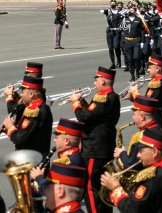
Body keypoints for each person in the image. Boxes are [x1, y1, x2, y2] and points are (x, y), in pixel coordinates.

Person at [100, 128, 162, 211]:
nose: (138, 155)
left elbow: (133, 210)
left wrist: (116, 188)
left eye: (140, 151)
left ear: (154, 152)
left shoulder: (153, 180)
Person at [70, 67, 121, 213]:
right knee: (103, 186)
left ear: (103, 80)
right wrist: (82, 101)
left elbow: (84, 118)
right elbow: (94, 114)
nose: (94, 83)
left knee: (91, 187)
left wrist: (75, 103)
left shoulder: (104, 97)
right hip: (103, 148)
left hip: (94, 150)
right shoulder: (109, 96)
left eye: (96, 80)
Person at [2, 76, 53, 154]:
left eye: (22, 92)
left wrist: (11, 127)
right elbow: (27, 133)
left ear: (31, 94)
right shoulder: (39, 107)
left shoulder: (35, 111)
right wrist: (8, 129)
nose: (21, 95)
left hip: (31, 161)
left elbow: (20, 140)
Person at [127, 54, 162, 131]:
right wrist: (132, 97)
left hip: (156, 126)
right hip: (149, 124)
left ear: (157, 68)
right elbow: (147, 100)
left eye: (150, 68)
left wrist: (135, 92)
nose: (147, 70)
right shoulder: (155, 83)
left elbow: (148, 104)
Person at [115, 96, 161, 170]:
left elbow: (131, 166)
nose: (133, 118)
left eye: (134, 114)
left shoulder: (140, 137)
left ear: (142, 117)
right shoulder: (159, 130)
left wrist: (121, 153)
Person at [99, 0, 125, 69]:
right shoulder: (108, 11)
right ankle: (113, 63)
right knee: (110, 48)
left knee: (116, 47)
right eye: (111, 4)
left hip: (117, 31)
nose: (112, 5)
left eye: (114, 4)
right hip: (110, 32)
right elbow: (101, 11)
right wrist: (105, 11)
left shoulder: (119, 12)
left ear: (116, 4)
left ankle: (119, 61)